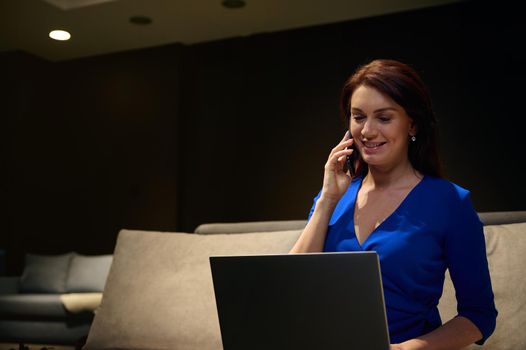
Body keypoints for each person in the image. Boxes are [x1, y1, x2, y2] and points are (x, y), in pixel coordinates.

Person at [289, 59, 497, 349]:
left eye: (384, 118)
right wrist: (326, 199)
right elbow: (290, 290)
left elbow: (479, 315)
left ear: (412, 123)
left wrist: (406, 349)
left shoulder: (450, 202)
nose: (368, 131)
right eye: (358, 117)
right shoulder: (333, 197)